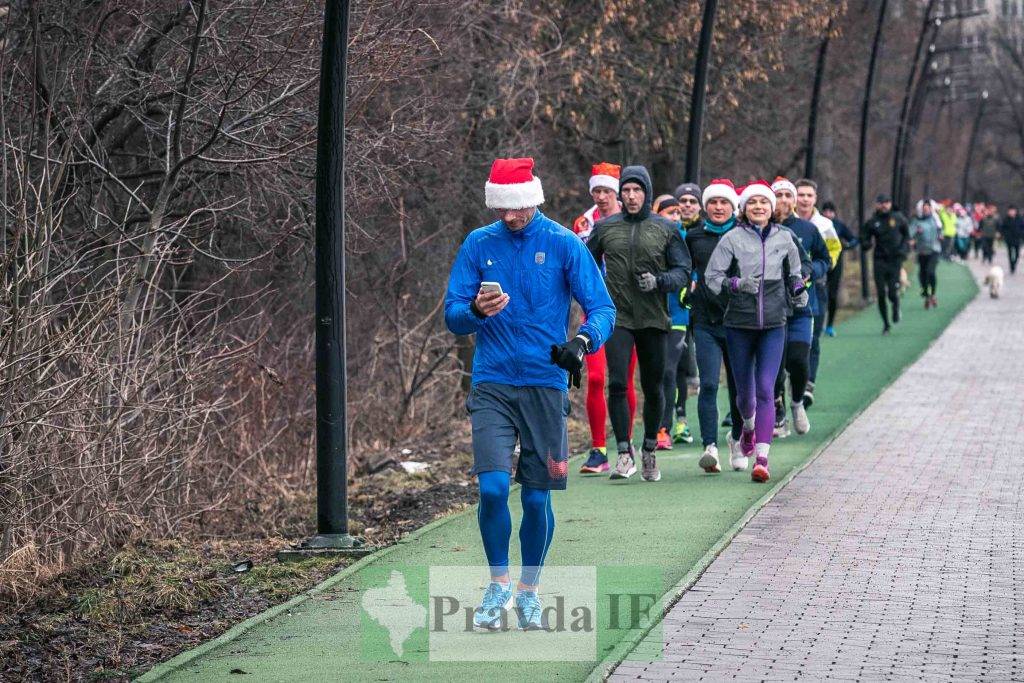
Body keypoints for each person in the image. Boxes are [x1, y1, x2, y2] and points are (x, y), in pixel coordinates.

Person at [445, 157, 615, 630]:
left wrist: (581, 342)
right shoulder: (480, 244)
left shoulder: (562, 243)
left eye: (517, 208)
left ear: (534, 200)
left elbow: (602, 307)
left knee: (537, 499)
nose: (509, 217)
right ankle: (498, 583)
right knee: (494, 487)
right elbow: (453, 313)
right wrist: (476, 310)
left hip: (545, 382)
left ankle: (529, 589)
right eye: (501, 208)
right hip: (493, 382)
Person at [587, 165, 692, 482]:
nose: (631, 196)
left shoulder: (665, 228)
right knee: (617, 382)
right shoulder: (605, 228)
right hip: (617, 317)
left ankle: (648, 448)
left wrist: (659, 281)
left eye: (637, 190)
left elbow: (683, 271)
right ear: (621, 194)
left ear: (646, 193)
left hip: (653, 318)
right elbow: (584, 265)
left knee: (653, 385)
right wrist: (596, 292)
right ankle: (623, 453)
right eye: (627, 190)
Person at [706, 181, 807, 483]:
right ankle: (746, 430)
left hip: (775, 324)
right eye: (753, 203)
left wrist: (799, 289)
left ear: (772, 208)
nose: (759, 207)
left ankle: (762, 459)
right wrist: (737, 285)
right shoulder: (731, 239)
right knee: (745, 398)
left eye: (764, 202)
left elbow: (795, 274)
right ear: (744, 209)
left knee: (766, 389)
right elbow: (712, 277)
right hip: (739, 324)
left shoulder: (786, 238)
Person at [572, 163, 637, 474]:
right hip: (596, 309)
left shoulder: (631, 218)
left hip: (630, 310)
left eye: (606, 191)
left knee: (622, 380)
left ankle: (627, 443)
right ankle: (598, 449)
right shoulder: (583, 223)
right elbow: (579, 265)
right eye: (596, 191)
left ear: (617, 193)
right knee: (596, 377)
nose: (600, 196)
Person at [686, 179, 747, 473]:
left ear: (732, 206)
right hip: (705, 322)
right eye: (713, 202)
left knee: (739, 388)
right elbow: (684, 269)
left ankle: (736, 438)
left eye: (724, 202)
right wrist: (686, 288)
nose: (718, 207)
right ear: (705, 206)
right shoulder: (694, 236)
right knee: (708, 384)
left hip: (737, 323)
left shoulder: (743, 234)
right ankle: (709, 446)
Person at [771, 178, 830, 438]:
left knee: (797, 360)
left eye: (788, 195)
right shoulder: (763, 227)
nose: (783, 200)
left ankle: (797, 402)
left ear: (794, 200)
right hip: (771, 308)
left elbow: (823, 260)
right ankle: (778, 411)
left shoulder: (807, 229)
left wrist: (809, 274)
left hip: (802, 306)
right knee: (774, 365)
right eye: (779, 195)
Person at [653, 191, 697, 449]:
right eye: (670, 212)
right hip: (651, 314)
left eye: (678, 213)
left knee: (671, 369)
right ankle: (661, 422)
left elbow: (697, 269)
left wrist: (689, 291)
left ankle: (666, 427)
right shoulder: (647, 237)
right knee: (657, 371)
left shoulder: (685, 238)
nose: (676, 217)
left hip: (678, 314)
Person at [794, 179, 840, 407]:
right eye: (800, 194)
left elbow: (834, 250)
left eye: (808, 195)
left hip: (816, 286)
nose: (804, 199)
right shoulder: (785, 221)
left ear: (815, 198)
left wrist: (819, 269)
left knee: (813, 338)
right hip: (789, 289)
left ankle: (808, 385)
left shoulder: (824, 225)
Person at [862, 194, 910, 335]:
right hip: (879, 260)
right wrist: (866, 244)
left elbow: (907, 235)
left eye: (887, 203)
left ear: (890, 204)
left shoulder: (898, 218)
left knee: (892, 292)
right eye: (881, 203)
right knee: (881, 293)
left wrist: (903, 250)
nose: (884, 205)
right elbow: (864, 237)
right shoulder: (873, 221)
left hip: (895, 259)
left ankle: (896, 305)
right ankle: (886, 324)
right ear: (877, 204)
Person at [820, 201, 859, 337]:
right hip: (820, 263)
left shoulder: (839, 225)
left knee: (832, 295)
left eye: (831, 211)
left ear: (834, 213)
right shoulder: (817, 224)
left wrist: (846, 246)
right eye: (826, 211)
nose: (828, 214)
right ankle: (818, 324)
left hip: (836, 264)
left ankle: (830, 325)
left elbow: (854, 240)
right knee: (820, 294)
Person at [910, 199, 942, 308]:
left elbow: (941, 229)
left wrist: (941, 235)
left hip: (934, 250)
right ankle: (926, 294)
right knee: (922, 274)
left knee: (930, 272)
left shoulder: (935, 219)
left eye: (928, 209)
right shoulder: (917, 221)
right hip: (922, 251)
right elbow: (910, 233)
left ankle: (933, 294)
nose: (926, 211)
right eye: (924, 209)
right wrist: (914, 236)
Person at [999, 205, 1022, 274]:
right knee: (1010, 253)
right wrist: (1005, 235)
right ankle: (1011, 265)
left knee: (1017, 254)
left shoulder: (1020, 219)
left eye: (1013, 211)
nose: (1012, 212)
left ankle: (1014, 264)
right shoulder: (1006, 219)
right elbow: (1002, 228)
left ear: (1015, 211)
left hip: (1017, 238)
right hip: (1009, 239)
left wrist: (1021, 234)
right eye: (1010, 211)